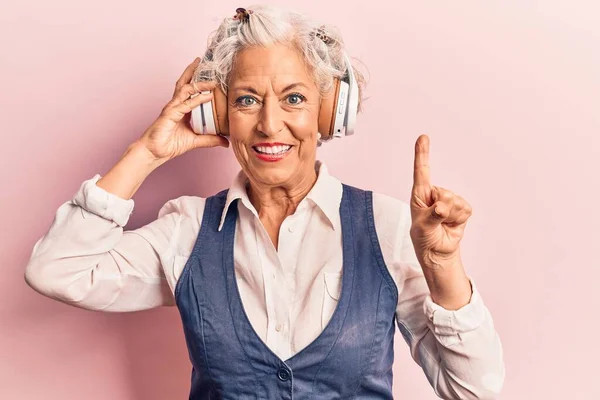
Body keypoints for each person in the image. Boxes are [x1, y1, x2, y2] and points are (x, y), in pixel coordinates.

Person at [24, 4, 504, 399]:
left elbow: (475, 390)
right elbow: (55, 270)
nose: (270, 125)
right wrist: (147, 153)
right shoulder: (188, 230)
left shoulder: (388, 226)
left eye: (294, 99)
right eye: (247, 100)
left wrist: (442, 266)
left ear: (330, 112)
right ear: (219, 115)